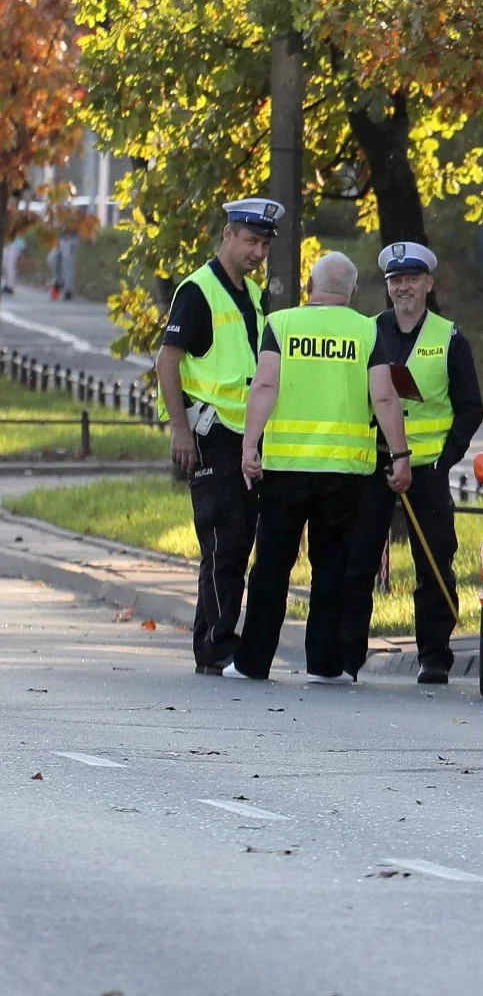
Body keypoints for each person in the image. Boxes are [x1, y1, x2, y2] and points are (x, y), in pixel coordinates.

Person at [228, 251, 412, 683]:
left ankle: (253, 661)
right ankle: (326, 664)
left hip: (286, 468)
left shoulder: (283, 325)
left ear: (310, 285)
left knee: (272, 565)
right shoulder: (367, 331)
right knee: (331, 567)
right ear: (351, 291)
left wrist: (249, 444)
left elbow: (266, 385)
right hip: (345, 473)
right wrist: (401, 456)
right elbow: (385, 398)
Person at [337, 242, 483, 684]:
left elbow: (470, 408)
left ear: (428, 284)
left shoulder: (450, 338)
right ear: (387, 287)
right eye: (395, 280)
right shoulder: (367, 332)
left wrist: (444, 459)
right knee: (358, 559)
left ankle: (434, 655)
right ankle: (348, 654)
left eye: (412, 279)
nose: (403, 287)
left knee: (435, 560)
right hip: (373, 463)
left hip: (426, 467)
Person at [155, 198, 273, 674]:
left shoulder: (253, 294)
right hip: (212, 434)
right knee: (224, 543)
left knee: (236, 543)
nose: (257, 252)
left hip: (246, 437)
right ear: (227, 236)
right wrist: (180, 430)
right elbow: (167, 361)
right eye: (250, 241)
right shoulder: (199, 291)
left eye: (264, 244)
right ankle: (217, 645)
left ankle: (213, 641)